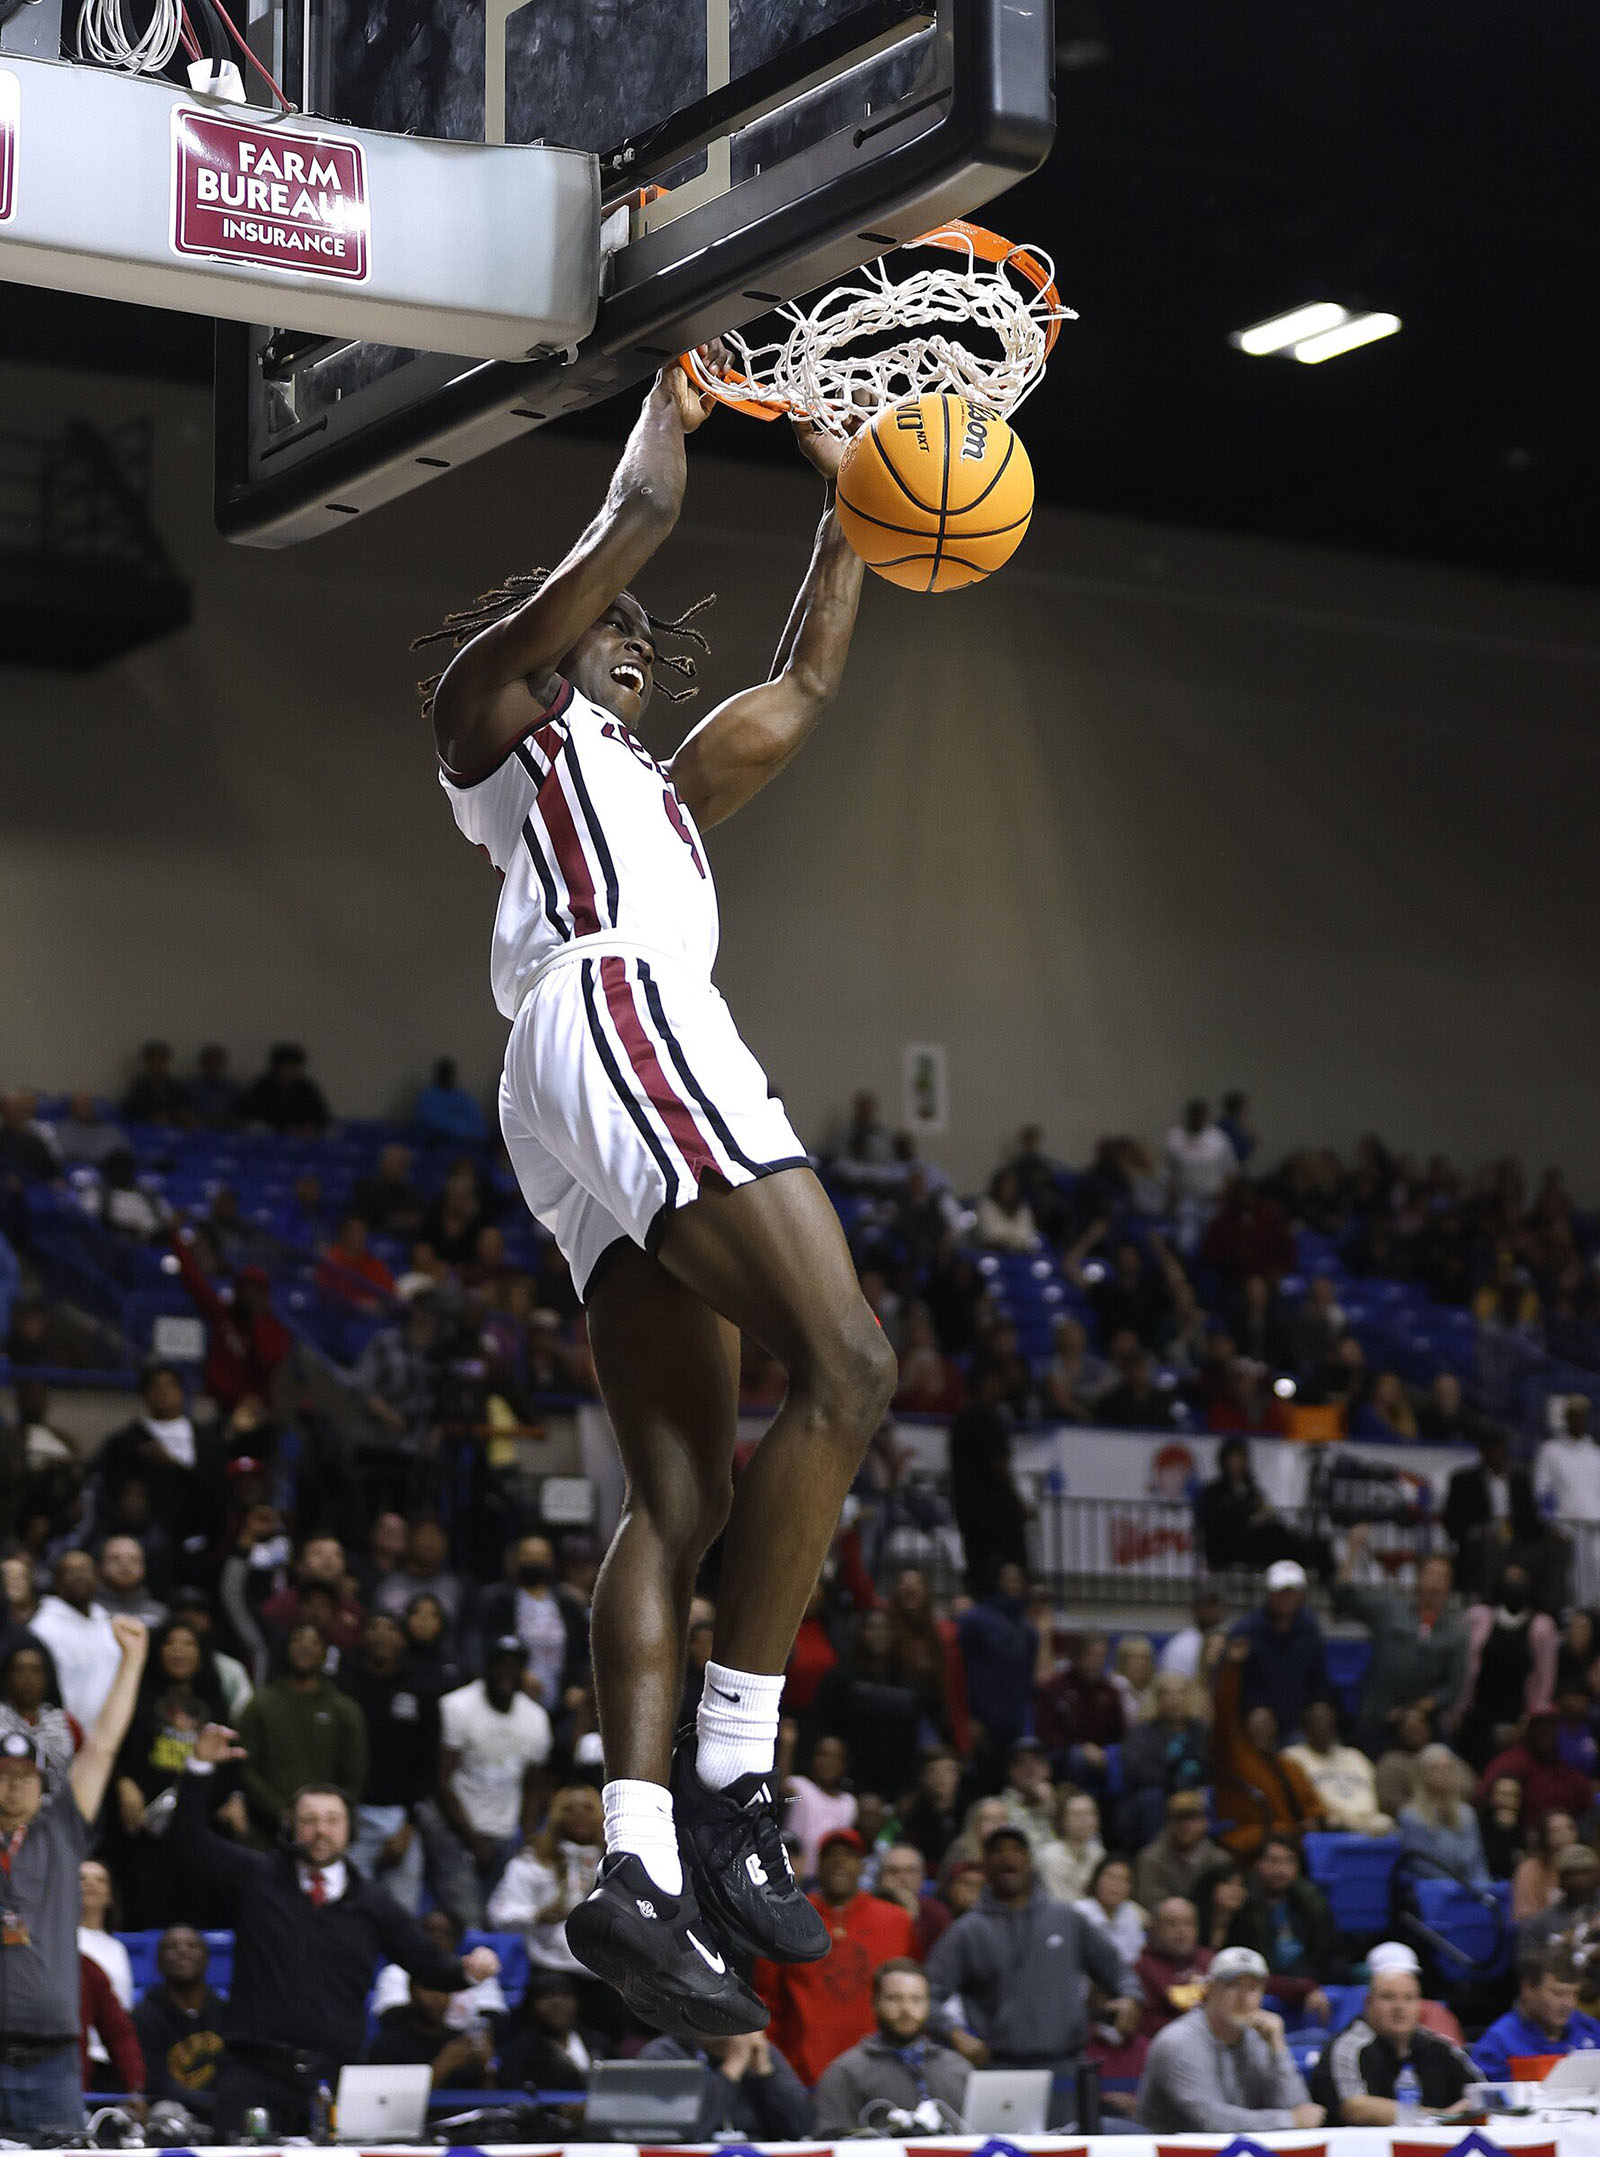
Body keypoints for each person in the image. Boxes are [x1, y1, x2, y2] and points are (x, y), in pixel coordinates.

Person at [421, 354, 892, 2037]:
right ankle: (742, 1778)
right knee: (849, 1364)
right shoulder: (502, 717)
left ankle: (631, 1869)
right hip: (616, 1013)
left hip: (585, 1065)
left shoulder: (666, 795)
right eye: (609, 630)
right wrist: (673, 402)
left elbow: (807, 684)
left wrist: (855, 491)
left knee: (675, 1494)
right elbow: (633, 515)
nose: (631, 639)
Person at [176, 1720, 500, 2134]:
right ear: (291, 1826)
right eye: (309, 1819)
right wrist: (200, 1769)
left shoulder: (372, 1902)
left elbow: (425, 1961)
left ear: (349, 1830)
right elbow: (188, 1843)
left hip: (334, 2079)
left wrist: (467, 1970)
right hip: (252, 2073)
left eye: (331, 1820)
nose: (320, 1831)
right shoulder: (257, 1877)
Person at [0, 1615, 147, 2138]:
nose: (13, 1787)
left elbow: (103, 1746)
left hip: (52, 2062)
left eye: (24, 1777)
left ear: (42, 1785)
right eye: (2, 1775)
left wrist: (131, 1660)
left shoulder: (60, 1832)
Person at [924, 1827, 1139, 2098]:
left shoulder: (1066, 1918)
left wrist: (1130, 1997)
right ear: (986, 1866)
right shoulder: (967, 1931)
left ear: (1030, 1862)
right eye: (998, 1851)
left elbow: (1117, 1970)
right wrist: (953, 2033)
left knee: (1072, 2140)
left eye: (1016, 1850)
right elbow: (927, 1994)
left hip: (1066, 2067)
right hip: (998, 2069)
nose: (1007, 1857)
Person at [754, 1828, 914, 2085]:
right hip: (803, 2075)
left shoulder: (897, 1921)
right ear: (818, 1865)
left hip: (883, 2073)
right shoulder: (785, 1920)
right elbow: (768, 1999)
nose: (840, 1861)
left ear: (862, 1866)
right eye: (831, 1855)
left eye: (849, 1855)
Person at [1136, 1946, 1324, 2132]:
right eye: (1232, 1985)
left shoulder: (1260, 2036)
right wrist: (1288, 2120)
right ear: (1209, 1990)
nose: (1243, 1998)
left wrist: (1278, 2047)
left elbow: (1301, 2111)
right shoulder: (1179, 2041)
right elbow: (1209, 2119)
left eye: (1252, 1988)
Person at [436, 1636, 552, 1921]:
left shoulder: (536, 1718)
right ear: (487, 1667)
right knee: (468, 1917)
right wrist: (474, 1842)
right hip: (455, 1829)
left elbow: (533, 1787)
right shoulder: (457, 1706)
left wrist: (527, 1835)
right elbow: (441, 1781)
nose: (506, 1674)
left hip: (504, 1833)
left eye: (515, 1667)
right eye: (500, 1665)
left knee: (500, 1919)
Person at [337, 1611, 438, 1914]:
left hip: (400, 1818)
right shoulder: (344, 1687)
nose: (381, 1634)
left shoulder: (420, 1690)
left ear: (402, 1639)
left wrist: (409, 1826)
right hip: (352, 1814)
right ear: (363, 1637)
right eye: (373, 1627)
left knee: (402, 1913)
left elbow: (428, 1762)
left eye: (390, 1628)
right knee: (348, 1910)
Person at [1334, 1529, 1469, 1754]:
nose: (1435, 1583)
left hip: (1421, 1727)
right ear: (1418, 1577)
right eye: (1430, 1574)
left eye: (1442, 1577)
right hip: (1376, 1719)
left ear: (1449, 1586)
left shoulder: (1456, 1634)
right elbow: (1343, 1595)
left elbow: (1451, 1688)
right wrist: (1353, 1550)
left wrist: (1413, 1710)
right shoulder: (1390, 1609)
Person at [1310, 1943, 1477, 2121]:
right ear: (1368, 2003)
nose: (1399, 2007)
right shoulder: (1347, 2047)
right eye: (1388, 1997)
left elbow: (1482, 2094)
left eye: (1409, 1998)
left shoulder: (1441, 2047)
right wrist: (1440, 2116)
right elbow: (1355, 2108)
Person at [236, 1621, 368, 1844]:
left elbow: (355, 1775)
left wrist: (327, 1816)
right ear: (286, 1648)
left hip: (324, 1833)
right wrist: (280, 1810)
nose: (305, 1647)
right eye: (298, 1640)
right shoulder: (260, 1704)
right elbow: (243, 1765)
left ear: (326, 1653)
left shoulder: (344, 1709)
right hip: (264, 1831)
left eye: (314, 1643)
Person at [812, 1960, 971, 2135]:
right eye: (894, 1998)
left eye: (916, 1999)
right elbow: (829, 2139)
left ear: (928, 2004)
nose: (906, 2009)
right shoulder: (845, 2072)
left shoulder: (958, 2068)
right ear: (874, 2003)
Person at [487, 1782, 605, 1982]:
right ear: (555, 1815)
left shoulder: (616, 1861)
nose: (579, 1815)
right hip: (548, 1965)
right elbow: (499, 1913)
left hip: (604, 1970)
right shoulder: (533, 1861)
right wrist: (537, 1915)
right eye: (568, 1809)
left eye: (588, 1808)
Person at [1456, 1562, 1557, 1768]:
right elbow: (1462, 1666)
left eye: (1520, 1578)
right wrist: (1458, 1710)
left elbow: (1545, 1677)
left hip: (1518, 1720)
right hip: (1478, 1715)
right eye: (1509, 1577)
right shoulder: (1478, 1617)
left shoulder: (1542, 1626)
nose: (1514, 1583)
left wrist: (1529, 1720)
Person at [638, 2027, 816, 2140]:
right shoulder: (662, 2055)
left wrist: (765, 2072)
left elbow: (800, 2128)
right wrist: (732, 2068)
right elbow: (687, 2131)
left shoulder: (758, 2050)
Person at [1229, 1836, 1337, 2019]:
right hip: (1263, 1982)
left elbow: (1325, 1952)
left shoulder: (1311, 1901)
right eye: (1273, 1861)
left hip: (1306, 1978)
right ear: (1257, 1864)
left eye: (1289, 1861)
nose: (1281, 1869)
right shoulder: (1243, 1905)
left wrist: (1309, 1982)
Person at [133, 1925, 227, 2124]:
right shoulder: (144, 2016)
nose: (182, 1951)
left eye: (192, 1946)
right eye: (171, 1947)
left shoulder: (227, 2012)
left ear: (207, 1959)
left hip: (223, 2110)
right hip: (172, 2113)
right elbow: (154, 2081)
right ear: (158, 1962)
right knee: (166, 2111)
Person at [1228, 1560, 1328, 1744]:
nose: (1287, 1597)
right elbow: (1234, 1684)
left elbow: (1318, 1680)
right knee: (1260, 1722)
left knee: (1320, 1715)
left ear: (1302, 1595)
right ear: (1269, 1593)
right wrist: (1253, 1709)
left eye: (1292, 1592)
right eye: (1281, 1592)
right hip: (1255, 1722)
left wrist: (1316, 1708)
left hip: (1297, 1721)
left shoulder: (1310, 1630)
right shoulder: (1246, 1631)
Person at [1444, 1426, 1544, 1602]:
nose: (1499, 1453)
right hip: (1481, 1540)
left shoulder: (1520, 1481)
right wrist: (1476, 1531)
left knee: (1555, 1544)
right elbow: (1452, 1520)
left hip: (1517, 1539)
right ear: (1483, 1452)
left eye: (1502, 1448)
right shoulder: (1464, 1481)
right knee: (1490, 1539)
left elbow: (1532, 1521)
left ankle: (1551, 1609)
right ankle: (1488, 1601)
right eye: (1493, 1449)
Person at [1474, 1948, 1600, 2080]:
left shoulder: (1591, 2029)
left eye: (1574, 1993)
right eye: (1558, 1993)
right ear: (1528, 1988)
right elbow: (1490, 2098)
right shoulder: (1499, 2044)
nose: (1569, 2004)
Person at [30, 1548, 122, 1729]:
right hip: (63, 1735)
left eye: (85, 1569)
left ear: (97, 1577)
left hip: (113, 1736)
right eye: (70, 1571)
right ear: (56, 1581)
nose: (79, 1576)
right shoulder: (42, 1628)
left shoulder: (109, 1625)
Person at [1282, 1697, 1393, 1834]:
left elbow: (1375, 1793)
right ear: (1306, 1729)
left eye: (1329, 1724)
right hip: (1328, 1826)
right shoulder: (1293, 1757)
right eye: (1318, 1724)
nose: (1324, 1730)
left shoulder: (1354, 1756)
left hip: (1369, 1823)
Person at [366, 1977, 495, 2090]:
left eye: (444, 1991)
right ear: (412, 1992)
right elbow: (386, 2103)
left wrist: (485, 2068)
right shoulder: (387, 2045)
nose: (437, 1998)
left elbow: (489, 2102)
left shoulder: (461, 2043)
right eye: (429, 1990)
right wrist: (443, 2066)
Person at [1480, 1710, 1593, 1834]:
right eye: (1540, 1726)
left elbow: (1588, 1805)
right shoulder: (1513, 1762)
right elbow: (1483, 1798)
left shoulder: (1566, 1769)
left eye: (1551, 1726)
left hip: (1564, 1841)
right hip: (1518, 1837)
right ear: (1529, 1730)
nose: (1546, 1731)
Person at [1398, 1743, 1491, 1883]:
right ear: (1422, 1774)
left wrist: (1486, 1891)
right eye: (1435, 1768)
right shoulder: (1411, 1816)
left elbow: (1477, 1862)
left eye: (1448, 1768)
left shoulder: (1467, 1813)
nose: (1443, 1773)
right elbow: (1426, 1867)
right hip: (1434, 1891)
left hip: (1470, 1889)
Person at [0, 1641, 79, 1783]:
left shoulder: (66, 1723)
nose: (27, 1677)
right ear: (6, 1676)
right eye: (19, 1670)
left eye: (35, 1670)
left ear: (47, 1677)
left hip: (59, 1801)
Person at [1136, 1897, 1214, 2039]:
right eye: (1172, 1924)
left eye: (1188, 1924)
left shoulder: (1209, 1960)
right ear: (1155, 1928)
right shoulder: (1142, 1968)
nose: (1182, 1931)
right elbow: (1147, 2023)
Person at [1134, 1790, 1224, 1910]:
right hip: (1165, 1923)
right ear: (1168, 1823)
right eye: (1179, 1819)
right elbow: (1149, 1901)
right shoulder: (1150, 1858)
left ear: (1204, 1822)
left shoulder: (1219, 1859)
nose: (1186, 1825)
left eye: (1192, 1818)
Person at [1075, 1852, 1147, 1965]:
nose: (1117, 1884)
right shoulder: (1078, 1912)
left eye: (1125, 1880)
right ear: (1096, 1879)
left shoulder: (1131, 1912)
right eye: (1111, 1877)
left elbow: (1137, 1957)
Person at [1513, 1809, 1578, 1920]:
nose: (1565, 1834)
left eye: (1570, 1828)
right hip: (1543, 1932)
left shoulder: (1587, 1865)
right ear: (1544, 1837)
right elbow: (1524, 1915)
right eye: (1555, 1830)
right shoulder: (1529, 1869)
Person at [1159, 1582, 1226, 1683]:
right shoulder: (1180, 1645)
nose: (1208, 1612)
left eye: (1213, 1606)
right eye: (1204, 1607)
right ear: (1195, 1610)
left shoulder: (1230, 1639)